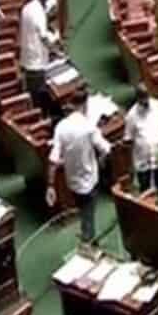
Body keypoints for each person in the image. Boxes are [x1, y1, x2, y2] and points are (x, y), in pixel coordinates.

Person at [46, 94, 111, 243]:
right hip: (90, 180)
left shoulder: (61, 127)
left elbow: (53, 160)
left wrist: (50, 186)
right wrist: (100, 160)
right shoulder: (89, 127)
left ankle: (86, 233)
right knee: (88, 214)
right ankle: (90, 242)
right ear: (84, 106)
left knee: (84, 210)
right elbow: (106, 149)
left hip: (72, 181)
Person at [124, 84, 158, 207]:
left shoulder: (157, 105)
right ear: (138, 98)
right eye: (142, 99)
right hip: (142, 161)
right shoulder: (131, 116)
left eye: (147, 97)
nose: (146, 102)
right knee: (146, 192)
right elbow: (128, 139)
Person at [19, 0, 60, 104]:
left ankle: (36, 107)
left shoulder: (26, 7)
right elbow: (44, 37)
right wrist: (55, 44)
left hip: (27, 58)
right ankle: (43, 114)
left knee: (33, 91)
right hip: (37, 60)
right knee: (42, 93)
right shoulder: (38, 12)